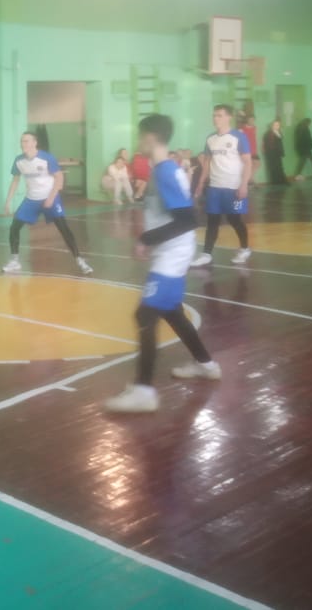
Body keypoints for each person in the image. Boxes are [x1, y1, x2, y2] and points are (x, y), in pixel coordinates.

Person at [105, 114, 220, 413]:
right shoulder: (161, 170)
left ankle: (144, 391)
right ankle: (206, 365)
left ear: (150, 137)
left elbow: (188, 220)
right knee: (172, 311)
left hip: (173, 253)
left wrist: (146, 238)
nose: (137, 141)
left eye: (140, 136)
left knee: (145, 314)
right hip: (169, 250)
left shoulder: (166, 172)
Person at [2, 131, 93, 275]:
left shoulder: (46, 158)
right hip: (31, 199)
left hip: (50, 196)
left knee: (63, 228)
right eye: (22, 141)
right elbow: (15, 181)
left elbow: (59, 178)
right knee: (14, 227)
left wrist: (51, 197)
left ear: (34, 143)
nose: (23, 144)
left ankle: (80, 260)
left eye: (26, 141)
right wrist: (8, 201)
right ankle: (14, 261)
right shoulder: (19, 161)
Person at [192, 105, 252, 267]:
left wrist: (244, 184)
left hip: (234, 188)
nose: (215, 118)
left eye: (219, 115)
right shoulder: (210, 139)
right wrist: (200, 183)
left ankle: (245, 248)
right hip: (215, 188)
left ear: (229, 117)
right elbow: (207, 163)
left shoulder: (238, 137)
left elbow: (247, 162)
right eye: (214, 115)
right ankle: (206, 253)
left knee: (235, 219)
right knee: (212, 220)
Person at [262, 120, 288, 186]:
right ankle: (275, 182)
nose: (277, 126)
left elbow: (280, 142)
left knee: (279, 167)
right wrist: (268, 152)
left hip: (278, 153)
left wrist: (281, 151)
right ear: (272, 126)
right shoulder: (268, 133)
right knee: (272, 167)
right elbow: (266, 144)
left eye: (278, 125)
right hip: (271, 153)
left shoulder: (279, 132)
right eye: (275, 125)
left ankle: (281, 180)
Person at [241, 115, 259, 184]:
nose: (251, 121)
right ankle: (249, 180)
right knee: (248, 165)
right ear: (247, 120)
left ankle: (250, 179)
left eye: (253, 120)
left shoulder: (255, 128)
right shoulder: (243, 128)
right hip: (246, 150)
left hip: (254, 150)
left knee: (257, 163)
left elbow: (255, 138)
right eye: (250, 120)